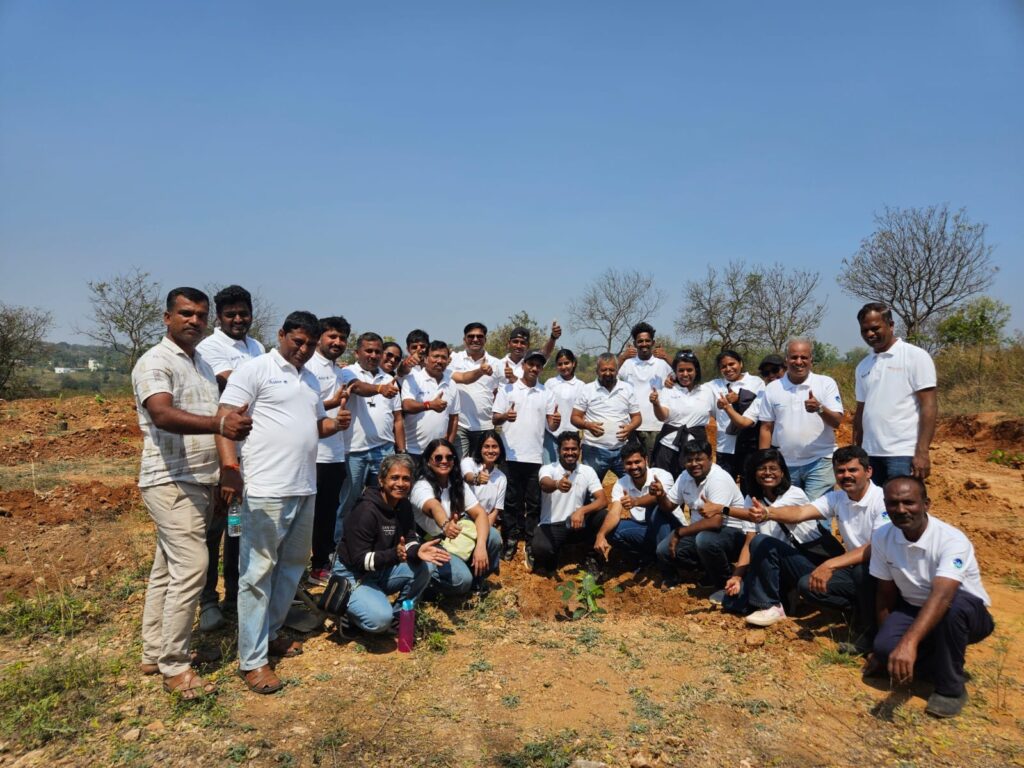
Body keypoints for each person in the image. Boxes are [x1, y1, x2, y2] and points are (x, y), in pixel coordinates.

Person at [215, 311, 351, 695]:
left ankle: (272, 632)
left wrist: (333, 424)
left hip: (304, 486)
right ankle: (252, 660)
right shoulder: (255, 370)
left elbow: (312, 426)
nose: (304, 350)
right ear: (281, 335)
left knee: (291, 567)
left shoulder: (308, 380)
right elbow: (225, 419)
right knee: (257, 573)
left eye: (310, 344)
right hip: (265, 489)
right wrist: (229, 467)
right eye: (298, 342)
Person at [133, 287, 252, 699]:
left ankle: (155, 652)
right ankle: (175, 666)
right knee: (192, 566)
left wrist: (226, 471)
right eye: (186, 313)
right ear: (167, 317)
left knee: (167, 568)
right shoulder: (155, 362)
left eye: (201, 315)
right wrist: (220, 427)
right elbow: (162, 414)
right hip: (170, 480)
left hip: (200, 479)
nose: (194, 321)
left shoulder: (200, 363)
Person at [867, 476, 994, 718]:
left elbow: (943, 596)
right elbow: (885, 594)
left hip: (963, 612)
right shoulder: (883, 536)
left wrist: (908, 643)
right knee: (884, 649)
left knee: (952, 609)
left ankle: (950, 689)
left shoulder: (952, 540)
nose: (900, 510)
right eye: (892, 503)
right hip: (914, 608)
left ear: (926, 504)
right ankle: (938, 662)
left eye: (909, 502)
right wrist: (885, 648)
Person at [744, 446, 887, 642]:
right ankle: (856, 607)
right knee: (807, 584)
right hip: (853, 566)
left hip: (882, 570)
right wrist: (768, 513)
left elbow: (876, 547)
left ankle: (868, 626)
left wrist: (830, 564)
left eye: (852, 470)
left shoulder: (882, 500)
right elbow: (800, 513)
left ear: (868, 471)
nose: (846, 475)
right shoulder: (837, 497)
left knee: (861, 573)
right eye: (840, 471)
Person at [195, 284, 265, 632]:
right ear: (219, 318)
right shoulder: (210, 347)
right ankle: (207, 598)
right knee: (214, 530)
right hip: (222, 453)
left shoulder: (257, 347)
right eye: (230, 315)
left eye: (243, 313)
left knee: (239, 530)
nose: (238, 319)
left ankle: (234, 595)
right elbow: (233, 384)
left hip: (251, 454)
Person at [333, 453, 451, 636]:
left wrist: (418, 550)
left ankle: (397, 616)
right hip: (353, 572)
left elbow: (409, 538)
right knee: (379, 620)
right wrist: (395, 555)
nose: (400, 483)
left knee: (426, 566)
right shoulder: (365, 510)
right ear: (381, 480)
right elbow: (359, 560)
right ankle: (349, 613)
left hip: (382, 567)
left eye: (406, 478)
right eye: (394, 478)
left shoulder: (403, 505)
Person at [720, 449, 831, 617]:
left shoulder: (795, 494)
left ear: (782, 472)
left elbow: (762, 516)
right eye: (762, 469)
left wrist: (722, 509)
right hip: (777, 562)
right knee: (732, 602)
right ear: (754, 473)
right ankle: (778, 599)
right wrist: (737, 577)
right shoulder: (752, 498)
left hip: (808, 562)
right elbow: (749, 542)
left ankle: (771, 605)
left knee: (763, 542)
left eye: (773, 468)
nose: (767, 473)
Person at [854, 302, 938, 485]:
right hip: (871, 454)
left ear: (891, 325)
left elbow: (929, 405)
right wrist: (857, 452)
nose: (870, 334)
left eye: (875, 328)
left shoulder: (915, 356)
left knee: (904, 509)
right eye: (864, 330)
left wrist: (922, 452)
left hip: (903, 454)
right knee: (877, 511)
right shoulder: (863, 365)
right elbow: (861, 411)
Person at [493, 349, 560, 563]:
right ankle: (511, 537)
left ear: (541, 368)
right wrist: (505, 415)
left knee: (533, 501)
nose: (534, 368)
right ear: (523, 365)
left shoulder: (546, 393)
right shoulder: (508, 389)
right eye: (531, 364)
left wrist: (555, 422)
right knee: (511, 501)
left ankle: (531, 539)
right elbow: (495, 419)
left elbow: (551, 424)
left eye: (538, 365)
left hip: (534, 456)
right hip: (511, 454)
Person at [336, 332, 404, 544]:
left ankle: (380, 542)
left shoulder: (389, 379)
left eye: (377, 351)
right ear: (357, 353)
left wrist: (401, 452)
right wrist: (379, 389)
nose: (373, 355)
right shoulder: (348, 373)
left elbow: (398, 419)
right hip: (354, 451)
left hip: (384, 450)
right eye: (369, 351)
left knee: (385, 500)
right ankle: (341, 545)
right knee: (349, 502)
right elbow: (356, 388)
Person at [410, 439, 502, 595]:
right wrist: (445, 525)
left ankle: (476, 582)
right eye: (438, 458)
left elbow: (479, 513)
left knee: (492, 536)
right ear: (428, 461)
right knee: (462, 581)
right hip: (431, 542)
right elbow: (433, 506)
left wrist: (480, 546)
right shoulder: (421, 486)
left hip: (454, 538)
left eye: (449, 457)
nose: (444, 461)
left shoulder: (456, 483)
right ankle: (425, 582)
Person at [655, 440, 747, 590]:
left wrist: (679, 532)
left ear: (710, 459)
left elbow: (715, 522)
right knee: (663, 550)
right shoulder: (685, 476)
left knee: (704, 540)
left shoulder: (719, 479)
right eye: (689, 460)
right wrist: (660, 495)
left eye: (699, 459)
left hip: (730, 534)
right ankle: (711, 569)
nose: (694, 464)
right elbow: (669, 506)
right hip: (699, 533)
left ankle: (724, 583)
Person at [758, 339, 843, 500]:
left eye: (804, 357)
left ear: (811, 359)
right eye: (794, 357)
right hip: (785, 463)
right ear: (786, 360)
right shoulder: (773, 388)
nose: (799, 362)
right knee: (789, 515)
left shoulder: (825, 383)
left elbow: (837, 422)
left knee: (818, 515)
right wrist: (765, 461)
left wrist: (819, 408)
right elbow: (766, 428)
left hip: (820, 461)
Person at [305, 316, 352, 586]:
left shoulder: (338, 369)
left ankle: (320, 563)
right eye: (332, 336)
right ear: (320, 337)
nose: (337, 342)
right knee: (313, 513)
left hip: (335, 451)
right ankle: (313, 565)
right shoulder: (310, 365)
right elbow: (302, 404)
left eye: (342, 337)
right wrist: (332, 402)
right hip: (315, 453)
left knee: (328, 511)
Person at [532, 432, 609, 575]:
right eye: (566, 449)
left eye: (574, 449)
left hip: (577, 524)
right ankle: (551, 555)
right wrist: (557, 484)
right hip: (552, 525)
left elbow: (603, 500)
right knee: (541, 549)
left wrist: (581, 511)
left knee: (604, 516)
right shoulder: (548, 469)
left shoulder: (587, 471)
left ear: (579, 450)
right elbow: (545, 484)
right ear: (558, 451)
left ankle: (591, 556)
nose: (570, 453)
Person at [593, 442, 675, 571]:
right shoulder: (621, 483)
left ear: (646, 460)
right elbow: (614, 513)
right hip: (643, 529)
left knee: (654, 510)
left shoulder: (662, 476)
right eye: (629, 463)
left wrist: (636, 501)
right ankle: (647, 557)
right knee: (611, 530)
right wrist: (601, 535)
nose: (634, 466)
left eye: (637, 462)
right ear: (623, 465)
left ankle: (668, 565)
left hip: (669, 529)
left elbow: (656, 497)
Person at [571, 353, 641, 481]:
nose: (608, 373)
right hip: (594, 450)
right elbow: (575, 417)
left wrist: (630, 427)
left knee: (633, 486)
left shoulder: (627, 389)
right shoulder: (587, 389)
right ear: (597, 370)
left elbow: (637, 417)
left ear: (617, 370)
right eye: (604, 369)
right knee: (590, 491)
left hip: (622, 450)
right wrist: (587, 425)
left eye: (611, 369)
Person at [649, 350, 714, 477]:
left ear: (696, 371)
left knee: (693, 485)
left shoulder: (707, 391)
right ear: (675, 372)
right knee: (665, 484)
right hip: (668, 447)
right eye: (681, 370)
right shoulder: (669, 390)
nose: (685, 374)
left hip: (696, 451)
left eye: (689, 370)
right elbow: (663, 416)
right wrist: (656, 404)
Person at [707, 350, 764, 490]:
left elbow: (759, 409)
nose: (728, 369)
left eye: (732, 364)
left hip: (749, 447)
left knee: (749, 489)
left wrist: (739, 399)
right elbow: (690, 381)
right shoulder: (714, 386)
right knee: (724, 489)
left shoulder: (756, 382)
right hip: (724, 447)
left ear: (741, 363)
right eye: (723, 366)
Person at [616, 323, 673, 454]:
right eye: (640, 341)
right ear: (635, 344)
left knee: (653, 464)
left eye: (647, 341)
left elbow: (683, 374)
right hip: (632, 424)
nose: (644, 344)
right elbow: (610, 375)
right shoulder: (628, 363)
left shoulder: (662, 363)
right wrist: (622, 357)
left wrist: (667, 357)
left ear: (653, 342)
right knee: (633, 463)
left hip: (656, 424)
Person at [448, 322, 501, 460]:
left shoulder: (496, 363)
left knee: (482, 467)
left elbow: (501, 391)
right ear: (464, 339)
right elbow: (463, 379)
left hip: (485, 425)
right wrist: (480, 371)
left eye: (479, 336)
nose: (475, 339)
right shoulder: (453, 359)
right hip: (459, 425)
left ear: (485, 339)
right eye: (471, 336)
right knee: (460, 467)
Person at [401, 340, 460, 462]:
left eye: (443, 357)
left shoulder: (451, 383)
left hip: (438, 453)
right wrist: (429, 405)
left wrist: (448, 446)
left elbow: (454, 418)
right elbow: (406, 405)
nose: (439, 361)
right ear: (426, 359)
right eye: (435, 356)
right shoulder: (413, 378)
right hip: (413, 451)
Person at [543, 349, 585, 464]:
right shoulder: (550, 383)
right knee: (549, 468)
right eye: (560, 364)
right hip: (551, 434)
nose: (563, 366)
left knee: (569, 470)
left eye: (566, 363)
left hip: (571, 435)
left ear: (573, 363)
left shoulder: (581, 386)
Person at [461, 431, 507, 532]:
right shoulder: (468, 462)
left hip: (485, 522)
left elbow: (495, 511)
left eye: (494, 446)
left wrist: (483, 532)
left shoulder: (501, 478)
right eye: (486, 446)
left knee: (494, 538)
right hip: (464, 519)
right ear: (480, 448)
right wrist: (477, 479)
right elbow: (468, 477)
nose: (490, 451)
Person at [495, 322, 560, 386]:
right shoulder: (498, 365)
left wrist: (553, 337)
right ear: (509, 343)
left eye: (523, 343)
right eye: (515, 341)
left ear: (528, 346)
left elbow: (546, 352)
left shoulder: (532, 363)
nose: (518, 346)